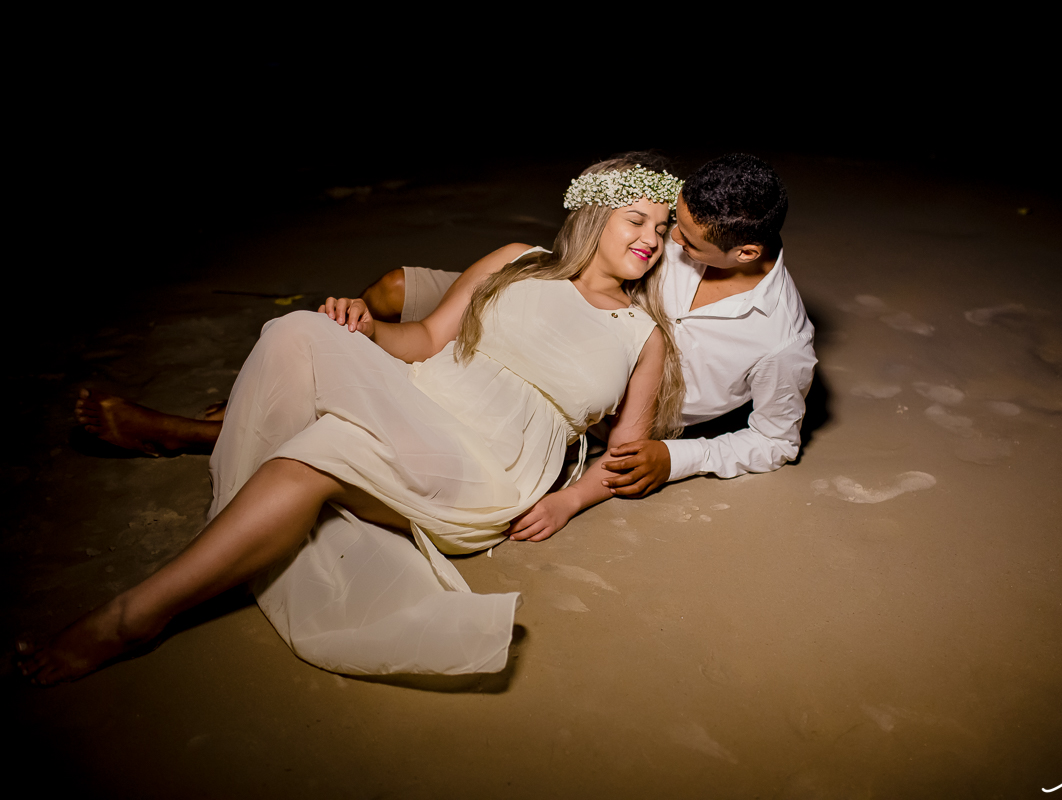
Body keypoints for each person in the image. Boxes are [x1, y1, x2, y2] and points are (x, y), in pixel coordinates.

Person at [20, 156, 685, 684]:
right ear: (595, 216)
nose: (650, 239)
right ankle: (239, 520)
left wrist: (567, 501)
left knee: (313, 457)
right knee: (298, 330)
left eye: (661, 230)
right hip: (413, 400)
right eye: (637, 220)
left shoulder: (642, 334)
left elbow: (624, 453)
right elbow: (424, 339)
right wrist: (366, 327)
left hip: (484, 466)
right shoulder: (515, 263)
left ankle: (132, 617)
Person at [76, 154, 816, 517]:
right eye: (671, 224)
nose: (672, 243)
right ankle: (291, 384)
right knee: (393, 291)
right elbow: (619, 222)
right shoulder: (689, 223)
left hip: (594, 365)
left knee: (429, 382)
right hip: (560, 289)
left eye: (686, 238)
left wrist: (675, 456)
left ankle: (205, 429)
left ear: (744, 252)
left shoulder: (780, 344)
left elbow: (775, 441)